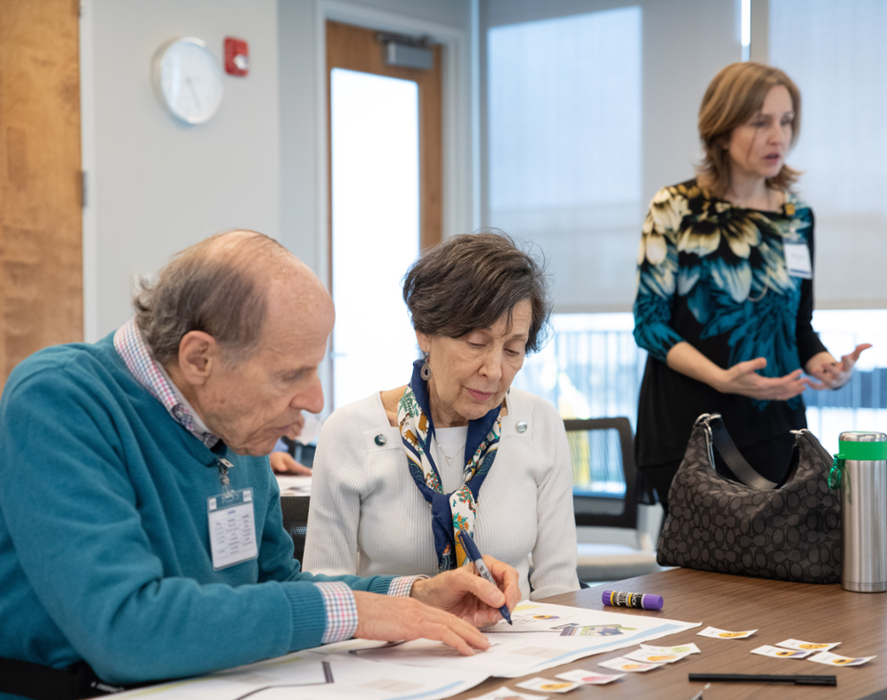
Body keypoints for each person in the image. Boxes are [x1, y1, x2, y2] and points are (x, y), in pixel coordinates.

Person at [0, 231, 520, 700]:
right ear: (199, 358)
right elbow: (127, 630)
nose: (315, 400)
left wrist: (415, 594)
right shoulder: (59, 400)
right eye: (290, 374)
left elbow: (275, 585)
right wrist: (357, 613)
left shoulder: (229, 422)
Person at [633, 62, 870, 516]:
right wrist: (723, 379)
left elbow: (797, 324)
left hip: (775, 426)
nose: (778, 136)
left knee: (775, 574)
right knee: (702, 578)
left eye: (785, 121)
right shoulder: (675, 207)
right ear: (721, 130)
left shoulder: (797, 218)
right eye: (760, 122)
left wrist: (824, 364)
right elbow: (650, 326)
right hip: (691, 427)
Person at [304, 232, 579, 601]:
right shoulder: (352, 433)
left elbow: (559, 591)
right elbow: (325, 593)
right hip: (394, 650)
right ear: (425, 332)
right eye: (476, 344)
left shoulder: (540, 424)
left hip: (512, 645)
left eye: (513, 349)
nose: (495, 370)